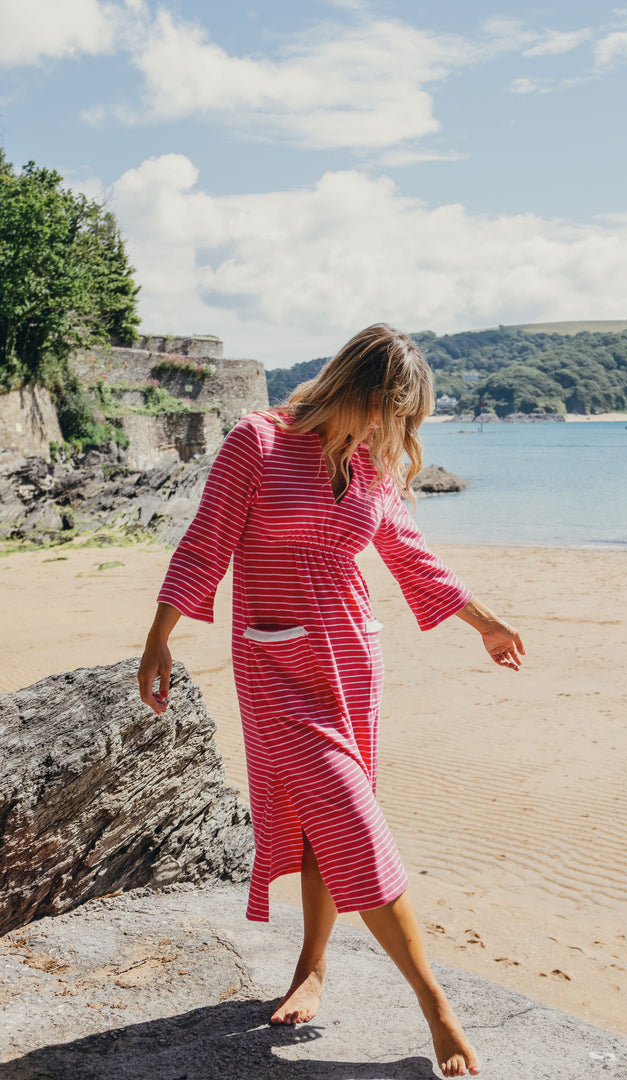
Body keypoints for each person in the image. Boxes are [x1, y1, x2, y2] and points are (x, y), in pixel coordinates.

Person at [138, 323, 524, 1078]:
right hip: (275, 666)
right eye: (391, 410)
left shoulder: (373, 462)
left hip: (351, 661)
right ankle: (436, 1006)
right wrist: (159, 638)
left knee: (329, 824)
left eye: (405, 421)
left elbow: (409, 552)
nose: (394, 430)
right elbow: (206, 543)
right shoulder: (257, 442)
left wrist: (485, 621)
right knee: (348, 818)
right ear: (357, 388)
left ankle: (313, 965)